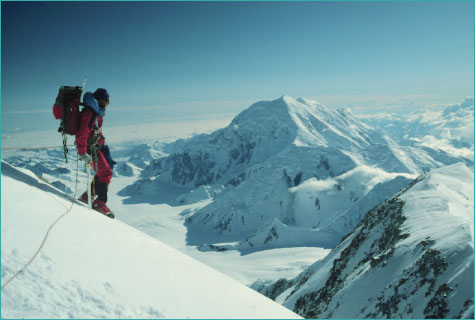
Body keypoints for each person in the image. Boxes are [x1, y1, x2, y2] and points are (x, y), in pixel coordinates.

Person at [77, 88, 116, 219]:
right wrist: (82, 152)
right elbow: (82, 133)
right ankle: (99, 203)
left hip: (97, 146)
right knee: (105, 172)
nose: (107, 103)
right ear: (99, 99)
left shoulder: (96, 112)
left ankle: (87, 196)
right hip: (91, 148)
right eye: (106, 100)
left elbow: (95, 130)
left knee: (106, 170)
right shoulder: (90, 112)